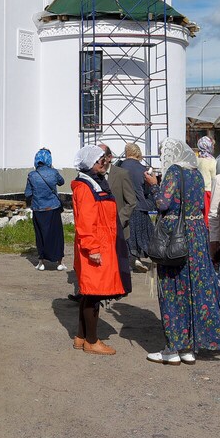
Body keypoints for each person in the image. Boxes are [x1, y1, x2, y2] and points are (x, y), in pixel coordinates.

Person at [147, 138, 220, 364]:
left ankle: (173, 348)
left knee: (172, 289)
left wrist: (153, 184)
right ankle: (189, 347)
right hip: (196, 235)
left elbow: (163, 203)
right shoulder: (195, 173)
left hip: (176, 236)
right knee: (193, 288)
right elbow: (199, 204)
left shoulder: (173, 171)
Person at [70, 145, 125, 355]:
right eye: (100, 160)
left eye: (105, 160)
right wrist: (92, 247)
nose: (105, 163)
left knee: (89, 293)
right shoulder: (85, 187)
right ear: (89, 163)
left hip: (100, 244)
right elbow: (85, 221)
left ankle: (81, 336)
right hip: (94, 246)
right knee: (93, 294)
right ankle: (92, 341)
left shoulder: (95, 183)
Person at [99, 143, 138, 284]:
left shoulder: (121, 174)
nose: (99, 160)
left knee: (117, 262)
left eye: (102, 156)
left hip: (118, 228)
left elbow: (131, 201)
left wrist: (119, 220)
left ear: (109, 157)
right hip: (99, 228)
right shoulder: (93, 175)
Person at [24, 148, 66, 271]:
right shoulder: (53, 172)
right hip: (53, 208)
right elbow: (62, 182)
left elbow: (27, 194)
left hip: (38, 209)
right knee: (57, 235)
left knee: (41, 235)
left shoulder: (32, 175)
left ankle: (41, 262)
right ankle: (59, 262)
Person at [119, 143, 158, 271]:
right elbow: (147, 191)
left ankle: (133, 258)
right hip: (141, 206)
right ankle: (155, 257)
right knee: (145, 234)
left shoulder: (120, 167)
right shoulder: (144, 170)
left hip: (124, 207)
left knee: (128, 235)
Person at [195, 137, 217, 220]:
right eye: (213, 145)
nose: (213, 147)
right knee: (207, 217)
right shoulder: (212, 161)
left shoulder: (196, 160)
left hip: (197, 191)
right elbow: (214, 178)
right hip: (208, 191)